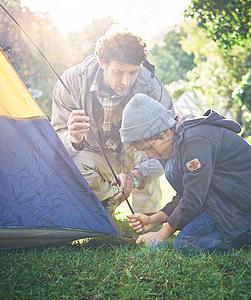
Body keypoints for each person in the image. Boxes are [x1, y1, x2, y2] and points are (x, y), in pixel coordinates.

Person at [119, 93, 251, 255]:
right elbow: (187, 193)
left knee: (186, 243)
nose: (150, 155)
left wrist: (161, 235)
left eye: (149, 147)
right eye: (144, 150)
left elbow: (192, 200)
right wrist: (155, 219)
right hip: (219, 195)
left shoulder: (194, 141)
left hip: (245, 197)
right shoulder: (173, 145)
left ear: (165, 131)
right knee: (185, 232)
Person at [51, 31, 174, 215]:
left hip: (136, 153)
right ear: (102, 63)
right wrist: (73, 138)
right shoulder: (70, 82)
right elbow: (56, 137)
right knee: (71, 164)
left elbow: (169, 143)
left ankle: (147, 219)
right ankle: (109, 199)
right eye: (118, 72)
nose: (126, 81)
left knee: (152, 153)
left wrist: (136, 175)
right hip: (95, 154)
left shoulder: (152, 87)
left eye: (133, 72)